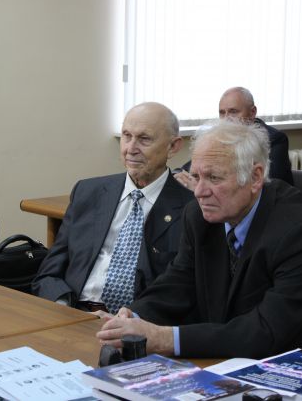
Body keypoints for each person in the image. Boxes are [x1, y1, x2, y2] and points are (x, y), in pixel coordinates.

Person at [97, 120, 302, 359]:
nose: (199, 191)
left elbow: (266, 330)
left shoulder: (299, 232)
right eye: (196, 177)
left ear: (255, 177)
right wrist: (135, 315)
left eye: (214, 178)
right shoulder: (200, 216)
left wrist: (166, 338)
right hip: (234, 359)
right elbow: (179, 281)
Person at [31, 102, 194, 314]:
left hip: (138, 323)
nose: (131, 149)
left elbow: (184, 293)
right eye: (127, 136)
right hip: (73, 312)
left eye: (144, 139)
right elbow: (48, 273)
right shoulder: (87, 192)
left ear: (173, 147)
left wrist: (130, 321)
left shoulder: (192, 209)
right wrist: (65, 309)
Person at [174, 86, 293, 189]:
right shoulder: (220, 137)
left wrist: (199, 184)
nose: (227, 119)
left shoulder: (275, 139)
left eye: (233, 112)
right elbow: (189, 167)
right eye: (222, 113)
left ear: (252, 112)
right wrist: (177, 174)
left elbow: (269, 183)